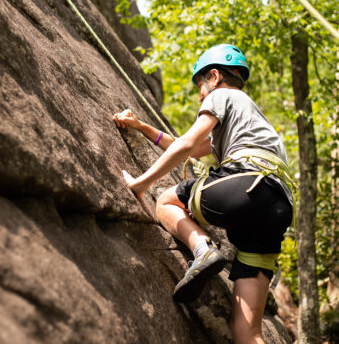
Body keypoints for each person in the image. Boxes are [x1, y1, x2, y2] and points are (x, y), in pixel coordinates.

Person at [113, 44, 294, 344]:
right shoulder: (250, 120)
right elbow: (190, 148)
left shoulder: (221, 96)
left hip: (247, 184)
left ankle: (202, 250)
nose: (200, 95)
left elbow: (186, 144)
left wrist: (140, 184)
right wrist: (141, 126)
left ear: (214, 76)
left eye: (200, 86)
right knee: (247, 333)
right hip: (278, 207)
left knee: (166, 201)